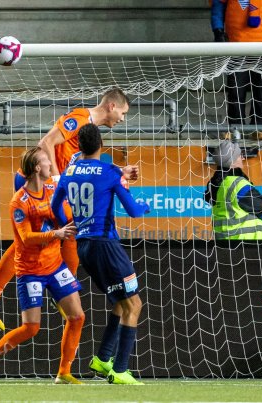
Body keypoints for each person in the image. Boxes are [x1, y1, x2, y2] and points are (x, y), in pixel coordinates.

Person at [0, 88, 136, 331]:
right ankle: (17, 296)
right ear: (111, 106)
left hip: (51, 182)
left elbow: (82, 163)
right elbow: (45, 143)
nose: (122, 119)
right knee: (61, 233)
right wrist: (56, 179)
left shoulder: (89, 130)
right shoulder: (80, 119)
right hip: (36, 180)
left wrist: (117, 171)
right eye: (123, 113)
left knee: (63, 233)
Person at [51, 123, 151, 385]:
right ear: (101, 145)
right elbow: (134, 211)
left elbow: (54, 205)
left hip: (83, 246)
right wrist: (145, 205)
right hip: (105, 245)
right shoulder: (109, 172)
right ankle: (120, 370)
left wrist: (67, 225)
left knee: (120, 301)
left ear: (79, 145)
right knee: (134, 305)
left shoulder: (69, 171)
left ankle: (103, 358)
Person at [0, 147, 83, 385]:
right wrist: (57, 233)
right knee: (31, 328)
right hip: (30, 270)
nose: (51, 165)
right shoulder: (19, 202)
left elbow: (68, 211)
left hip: (55, 266)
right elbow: (25, 238)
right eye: (46, 162)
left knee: (77, 317)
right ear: (36, 168)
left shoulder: (53, 188)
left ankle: (64, 372)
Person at [211, 0, 262, 141]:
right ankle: (235, 127)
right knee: (235, 90)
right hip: (235, 46)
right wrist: (218, 30)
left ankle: (260, 128)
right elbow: (218, 4)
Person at [204, 140, 262, 240]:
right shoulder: (239, 185)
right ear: (233, 161)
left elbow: (252, 202)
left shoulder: (216, 184)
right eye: (240, 155)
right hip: (249, 244)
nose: (243, 158)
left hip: (226, 244)